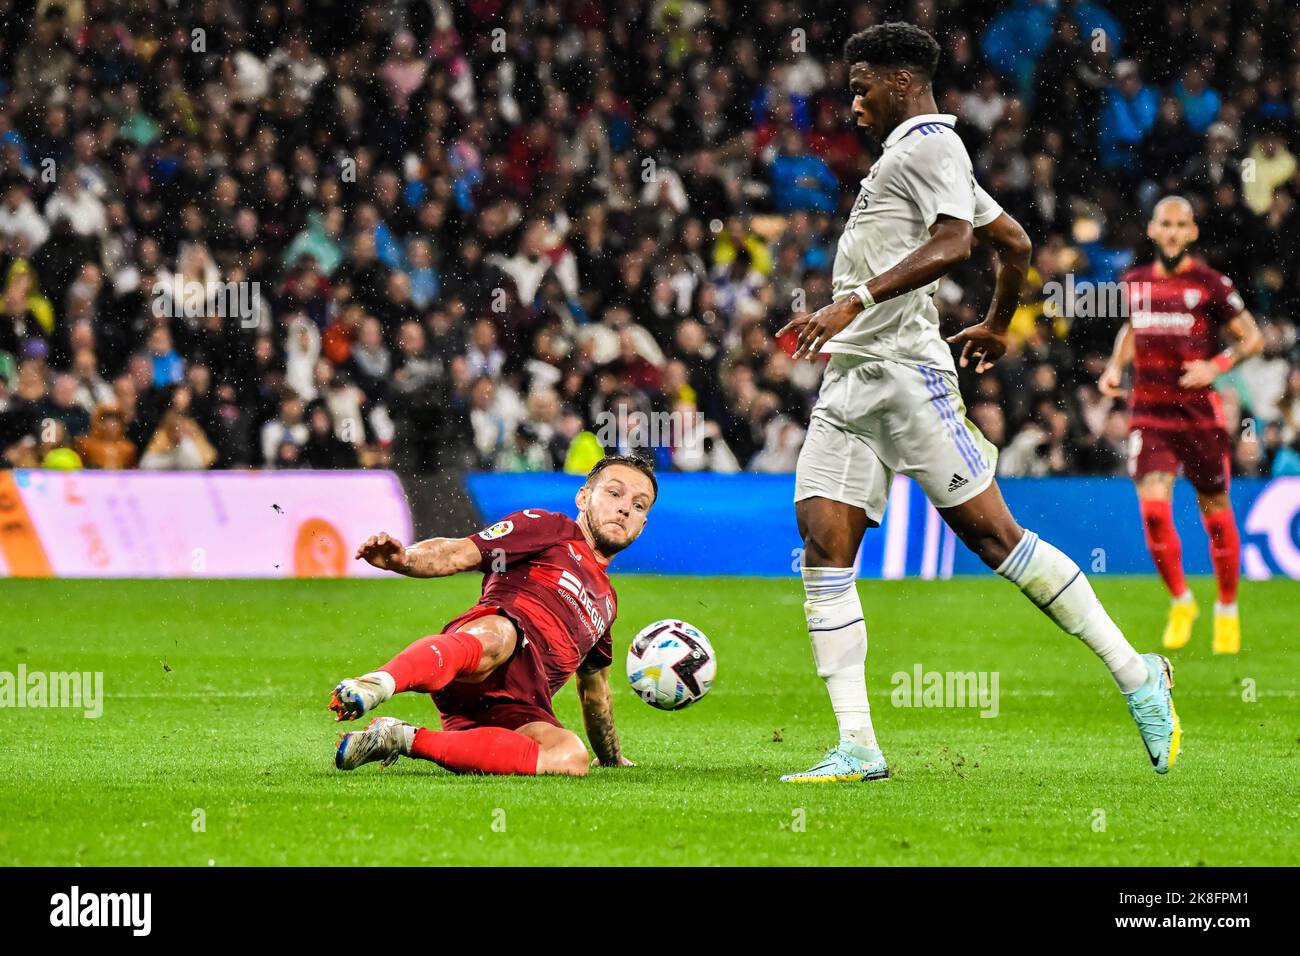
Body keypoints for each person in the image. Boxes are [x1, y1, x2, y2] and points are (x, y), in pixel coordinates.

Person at [776, 23, 1180, 783]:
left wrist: (851, 301)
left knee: (998, 541)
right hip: (851, 380)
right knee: (824, 550)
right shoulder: (912, 155)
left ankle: (1137, 675)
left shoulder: (932, 145)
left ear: (902, 81)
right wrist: (996, 321)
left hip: (904, 373)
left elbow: (958, 241)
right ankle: (858, 746)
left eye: (863, 86)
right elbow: (1016, 243)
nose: (853, 102)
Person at [330, 455, 655, 777]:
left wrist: (611, 757)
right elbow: (460, 552)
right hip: (479, 653)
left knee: (570, 757)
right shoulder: (548, 528)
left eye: (639, 505)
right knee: (500, 636)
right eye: (614, 493)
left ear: (642, 527)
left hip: (519, 709)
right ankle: (377, 684)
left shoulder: (607, 604)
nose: (625, 508)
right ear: (583, 497)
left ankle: (401, 738)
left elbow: (595, 692)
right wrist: (403, 560)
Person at [1099, 196, 1263, 654]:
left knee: (1214, 510)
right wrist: (1115, 367)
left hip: (1197, 416)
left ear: (1192, 232)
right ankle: (1182, 599)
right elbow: (1131, 328)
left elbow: (1253, 338)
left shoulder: (1210, 284)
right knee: (1153, 511)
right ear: (1152, 230)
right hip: (1149, 414)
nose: (1172, 232)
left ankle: (1227, 607)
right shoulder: (1133, 283)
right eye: (1165, 224)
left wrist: (1216, 366)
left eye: (1181, 225)